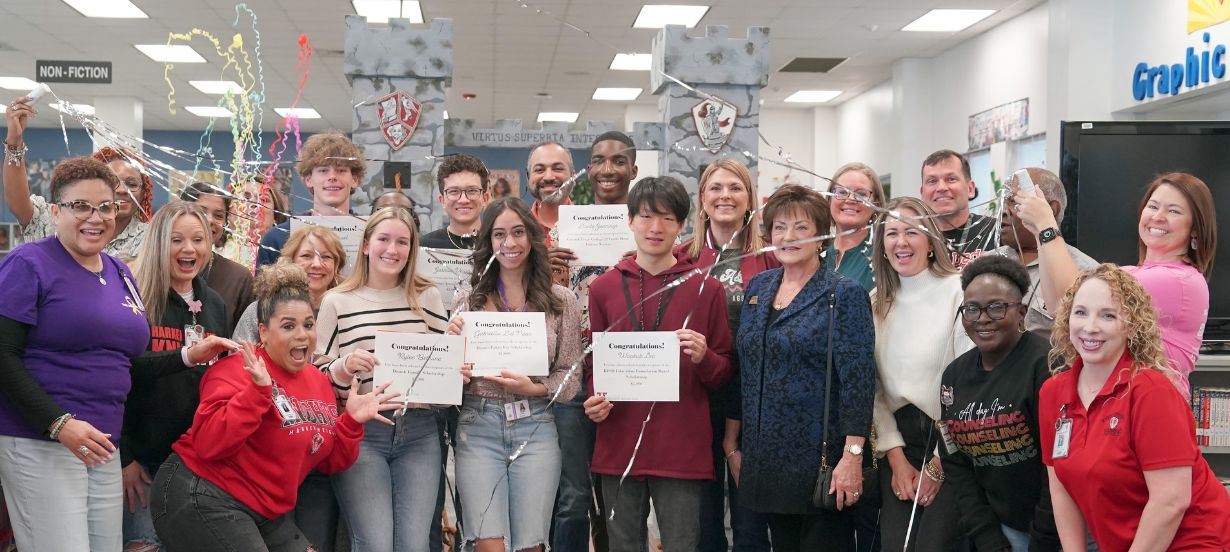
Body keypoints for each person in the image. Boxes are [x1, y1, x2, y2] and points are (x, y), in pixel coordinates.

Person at [150, 262, 404, 551]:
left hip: (262, 509)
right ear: (263, 332)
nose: (302, 335)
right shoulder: (236, 368)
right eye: (288, 326)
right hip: (200, 491)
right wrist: (257, 393)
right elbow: (209, 443)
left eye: (308, 325)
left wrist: (351, 423)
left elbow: (327, 460)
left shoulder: (318, 383)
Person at [0, 157, 152, 551]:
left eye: (105, 206)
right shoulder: (28, 263)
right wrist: (58, 423)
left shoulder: (120, 271)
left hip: (102, 444)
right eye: (80, 206)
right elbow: (2, 355)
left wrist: (188, 357)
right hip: (41, 439)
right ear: (54, 211)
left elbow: (123, 358)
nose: (96, 217)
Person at [582, 176, 735, 552]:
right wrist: (594, 400)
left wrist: (704, 358)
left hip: (682, 446)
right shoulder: (602, 288)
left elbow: (725, 373)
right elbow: (593, 366)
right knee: (622, 545)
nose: (655, 228)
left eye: (667, 218)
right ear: (629, 220)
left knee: (683, 544)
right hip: (619, 442)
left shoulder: (706, 287)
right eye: (646, 216)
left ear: (682, 225)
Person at [1039, 264, 1230, 550]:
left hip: (1195, 540)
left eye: (1108, 315)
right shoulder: (1053, 392)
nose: (1090, 327)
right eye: (1080, 312)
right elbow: (1060, 485)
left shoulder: (1151, 392)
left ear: (1131, 325)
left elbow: (1171, 501)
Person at [730, 184, 875, 552]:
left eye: (800, 228)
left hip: (821, 465)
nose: (788, 237)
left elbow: (858, 382)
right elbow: (744, 369)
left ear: (822, 236)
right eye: (779, 227)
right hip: (766, 461)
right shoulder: (759, 286)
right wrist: (733, 446)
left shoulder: (843, 294)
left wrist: (852, 456)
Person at [445, 197, 583, 552]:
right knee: (487, 542)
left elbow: (571, 378)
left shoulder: (562, 300)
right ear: (487, 243)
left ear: (532, 237)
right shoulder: (466, 301)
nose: (510, 243)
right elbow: (449, 381)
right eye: (499, 234)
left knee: (530, 545)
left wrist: (535, 388)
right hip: (479, 426)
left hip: (535, 427)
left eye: (518, 232)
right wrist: (450, 360)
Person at [315, 207, 449, 551]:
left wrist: (455, 372)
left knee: (414, 545)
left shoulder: (428, 297)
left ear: (412, 249)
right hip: (362, 434)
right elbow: (315, 378)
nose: (393, 249)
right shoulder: (336, 301)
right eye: (384, 239)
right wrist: (344, 366)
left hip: (419, 431)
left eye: (402, 242)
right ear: (365, 245)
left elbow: (444, 367)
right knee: (374, 543)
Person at [1015, 172, 1215, 399]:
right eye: (1153, 206)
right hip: (1117, 404)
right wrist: (1039, 234)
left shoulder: (1176, 280)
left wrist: (1046, 225)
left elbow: (1073, 298)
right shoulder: (1134, 273)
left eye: (1174, 211)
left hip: (1148, 409)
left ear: (1196, 228)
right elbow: (1059, 309)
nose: (1158, 216)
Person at [122, 201, 239, 551]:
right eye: (177, 240)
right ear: (159, 243)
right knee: (143, 544)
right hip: (140, 461)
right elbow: (123, 373)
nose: (189, 249)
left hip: (195, 463)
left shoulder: (214, 304)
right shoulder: (135, 297)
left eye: (198, 239)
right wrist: (124, 456)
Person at [676, 158, 777, 552]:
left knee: (750, 519)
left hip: (754, 401)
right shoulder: (684, 257)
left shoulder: (768, 256)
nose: (725, 196)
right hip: (698, 396)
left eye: (735, 188)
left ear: (750, 198)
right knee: (703, 519)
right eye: (716, 188)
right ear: (702, 199)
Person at [551, 130, 639, 552]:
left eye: (618, 161)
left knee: (620, 492)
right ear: (588, 170)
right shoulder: (564, 232)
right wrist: (544, 268)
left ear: (633, 170)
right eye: (599, 160)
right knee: (574, 493)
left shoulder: (651, 232)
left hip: (631, 372)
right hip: (573, 372)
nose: (608, 169)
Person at [870, 196, 973, 552]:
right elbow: (873, 390)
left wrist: (940, 464)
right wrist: (896, 458)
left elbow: (970, 383)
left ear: (931, 240)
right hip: (899, 445)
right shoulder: (875, 302)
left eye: (912, 232)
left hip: (951, 445)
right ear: (881, 245)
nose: (901, 242)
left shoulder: (958, 292)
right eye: (892, 233)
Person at [938, 255, 1060, 551]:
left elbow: (1056, 463)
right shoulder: (954, 376)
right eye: (972, 309)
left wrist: (1043, 538)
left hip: (1056, 528)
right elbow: (956, 462)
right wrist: (986, 535)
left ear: (1021, 312)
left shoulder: (1046, 365)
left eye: (996, 307)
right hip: (999, 528)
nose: (982, 318)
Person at [5, 96, 151, 259]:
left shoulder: (152, 239)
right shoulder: (56, 220)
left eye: (132, 184)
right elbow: (18, 204)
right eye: (114, 182)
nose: (124, 190)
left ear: (144, 191)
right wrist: (14, 141)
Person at [987, 168, 1095, 341]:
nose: (1004, 211)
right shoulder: (985, 264)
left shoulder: (1086, 272)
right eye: (1003, 202)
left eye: (1015, 201)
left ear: (1051, 210)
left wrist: (1044, 226)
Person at [257, 132, 365, 267]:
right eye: (323, 170)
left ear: (354, 180)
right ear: (308, 179)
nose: (332, 177)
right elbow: (263, 287)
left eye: (341, 170)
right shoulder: (277, 238)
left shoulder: (370, 236)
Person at [234, 226, 346, 341]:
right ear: (291, 261)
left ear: (336, 265)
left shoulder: (347, 309)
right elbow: (238, 355)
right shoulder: (261, 310)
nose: (317, 264)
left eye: (326, 257)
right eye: (306, 256)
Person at [181, 182, 257, 329]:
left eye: (218, 215)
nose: (210, 220)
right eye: (201, 212)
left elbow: (244, 337)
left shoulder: (238, 277)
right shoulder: (160, 267)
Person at [920, 150, 997, 269]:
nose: (941, 188)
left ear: (970, 189)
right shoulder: (914, 238)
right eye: (932, 181)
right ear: (922, 193)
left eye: (951, 179)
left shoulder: (996, 231)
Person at [824, 162, 887, 292]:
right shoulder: (816, 251)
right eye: (842, 192)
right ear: (829, 200)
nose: (851, 199)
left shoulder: (883, 253)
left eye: (861, 194)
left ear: (876, 203)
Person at [526, 141, 575, 286]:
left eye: (558, 169)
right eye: (539, 170)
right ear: (528, 176)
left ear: (573, 176)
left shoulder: (593, 227)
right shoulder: (515, 230)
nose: (548, 177)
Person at [421, 154, 490, 250]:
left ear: (485, 198)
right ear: (442, 200)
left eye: (472, 191)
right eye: (454, 191)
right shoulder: (424, 247)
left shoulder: (498, 246)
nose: (463, 200)